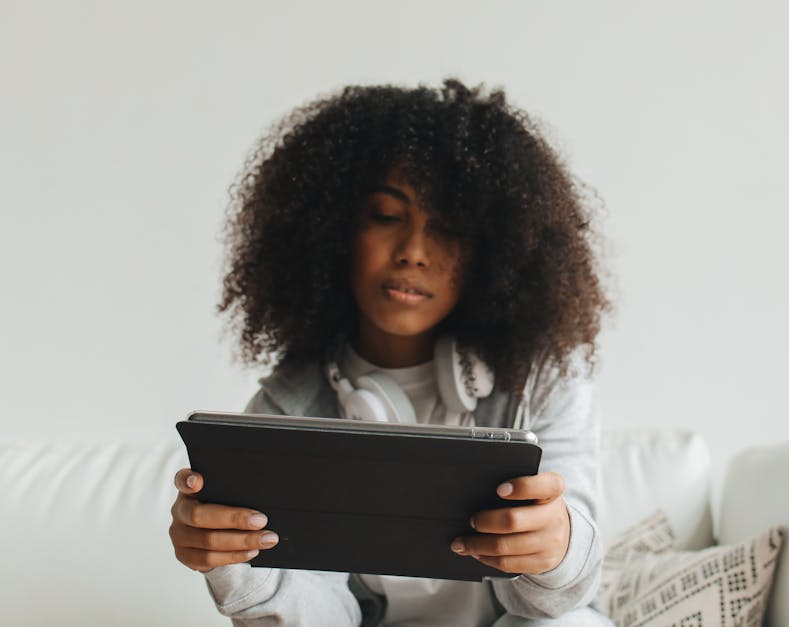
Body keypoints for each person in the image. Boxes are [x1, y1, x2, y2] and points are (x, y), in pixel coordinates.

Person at [168, 78, 613, 627]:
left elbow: (561, 601)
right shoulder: (288, 410)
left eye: (448, 228)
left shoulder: (542, 379)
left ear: (491, 251)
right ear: (335, 229)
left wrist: (558, 548)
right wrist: (236, 567)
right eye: (386, 216)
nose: (413, 252)